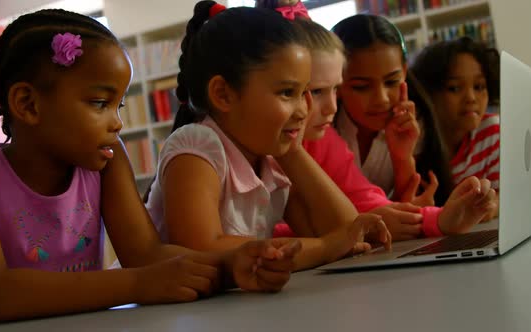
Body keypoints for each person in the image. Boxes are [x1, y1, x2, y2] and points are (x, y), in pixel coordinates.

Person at [0, 8, 303, 323]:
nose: (117, 123)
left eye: (119, 106)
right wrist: (138, 284)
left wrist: (232, 265)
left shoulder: (107, 158)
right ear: (27, 103)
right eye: (100, 103)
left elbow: (146, 253)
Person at [146, 1, 392, 272]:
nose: (303, 111)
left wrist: (295, 152)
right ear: (223, 94)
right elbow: (200, 249)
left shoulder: (272, 158)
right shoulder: (196, 149)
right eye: (287, 93)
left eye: (305, 93)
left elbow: (346, 230)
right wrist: (323, 248)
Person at [254, 7, 497, 240]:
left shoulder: (403, 122)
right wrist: (365, 223)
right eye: (316, 91)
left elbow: (367, 203)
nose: (331, 106)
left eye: (334, 90)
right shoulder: (308, 134)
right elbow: (264, 233)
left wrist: (405, 166)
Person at [332, 14, 455, 206]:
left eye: (391, 82)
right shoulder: (321, 128)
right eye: (361, 86)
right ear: (336, 83)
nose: (381, 98)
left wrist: (402, 157)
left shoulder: (415, 120)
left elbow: (410, 205)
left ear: (404, 72)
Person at [410, 37, 500, 220]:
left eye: (479, 86)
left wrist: (491, 206)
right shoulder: (413, 142)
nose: (471, 98)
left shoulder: (490, 132)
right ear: (429, 94)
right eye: (454, 88)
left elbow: (502, 197)